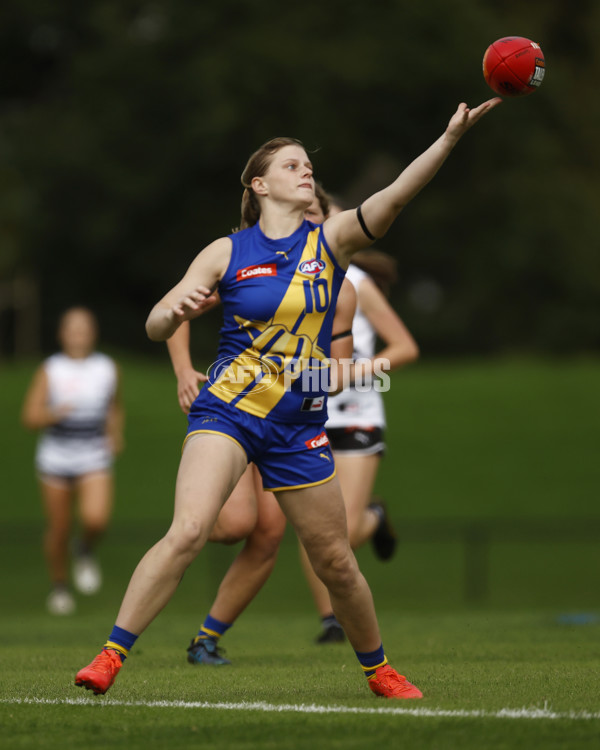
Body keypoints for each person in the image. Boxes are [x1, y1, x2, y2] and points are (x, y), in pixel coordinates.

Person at [74, 97, 500, 700]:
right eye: (292, 165)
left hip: (298, 424)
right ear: (260, 184)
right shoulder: (225, 252)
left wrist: (450, 137)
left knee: (335, 561)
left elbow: (400, 193)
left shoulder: (332, 242)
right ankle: (110, 657)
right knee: (190, 530)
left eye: (307, 166)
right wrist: (173, 313)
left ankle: (378, 669)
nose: (306, 172)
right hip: (228, 410)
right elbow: (153, 324)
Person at [167, 185, 356, 666]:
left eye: (317, 214)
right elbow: (176, 309)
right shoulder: (244, 253)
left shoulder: (341, 289)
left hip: (289, 420)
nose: (308, 220)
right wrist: (184, 370)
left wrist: (303, 375)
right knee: (232, 524)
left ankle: (206, 638)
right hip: (235, 407)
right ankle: (180, 529)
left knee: (269, 535)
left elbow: (336, 373)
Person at [301, 246, 420, 644]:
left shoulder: (356, 282)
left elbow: (405, 347)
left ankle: (374, 516)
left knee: (344, 530)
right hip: (303, 415)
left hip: (356, 414)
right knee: (310, 526)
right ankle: (330, 620)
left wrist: (352, 371)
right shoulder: (282, 276)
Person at [21, 307, 124, 615]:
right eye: (72, 328)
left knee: (96, 518)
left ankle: (85, 548)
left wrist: (115, 433)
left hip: (93, 455)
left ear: (93, 333)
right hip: (56, 458)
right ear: (61, 334)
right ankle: (60, 587)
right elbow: (29, 416)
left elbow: (115, 406)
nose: (79, 334)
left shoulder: (107, 368)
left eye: (84, 328)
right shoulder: (50, 369)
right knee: (59, 527)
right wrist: (54, 413)